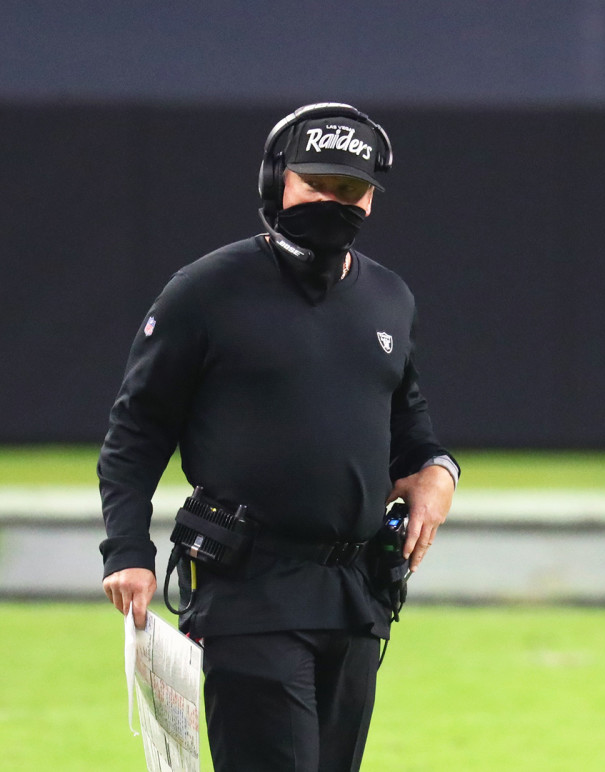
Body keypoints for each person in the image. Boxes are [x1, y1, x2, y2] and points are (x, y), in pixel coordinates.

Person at [98, 102, 460, 772]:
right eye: (316, 184)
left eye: (351, 190)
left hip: (355, 591)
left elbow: (409, 422)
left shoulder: (389, 297)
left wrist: (438, 471)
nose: (334, 201)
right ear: (276, 182)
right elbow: (136, 429)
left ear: (373, 199)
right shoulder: (205, 291)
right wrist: (127, 549)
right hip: (249, 584)